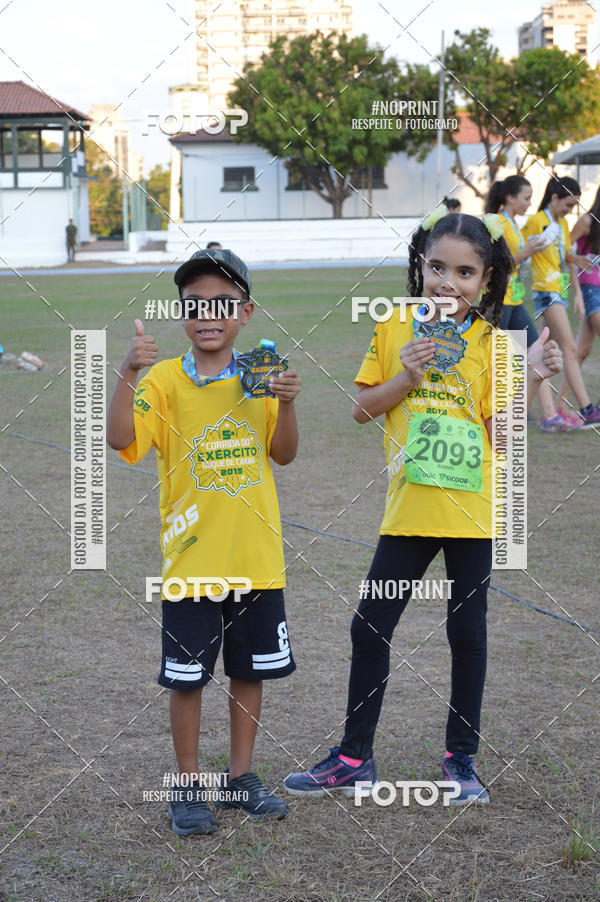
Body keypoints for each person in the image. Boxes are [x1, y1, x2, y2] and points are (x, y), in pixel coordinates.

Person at [283, 210, 562, 805]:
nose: (448, 283)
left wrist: (533, 375)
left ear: (486, 281)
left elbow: (503, 434)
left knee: (468, 635)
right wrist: (406, 378)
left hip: (471, 516)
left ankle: (461, 762)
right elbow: (361, 409)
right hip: (408, 513)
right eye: (437, 268)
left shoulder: (492, 343)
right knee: (370, 626)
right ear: (421, 267)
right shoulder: (394, 328)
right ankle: (355, 757)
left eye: (465, 272)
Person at [107, 247, 302, 835]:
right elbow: (120, 438)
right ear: (181, 313)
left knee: (249, 672)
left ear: (245, 311)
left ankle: (241, 777)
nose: (207, 314)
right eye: (194, 305)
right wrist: (128, 371)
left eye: (221, 303)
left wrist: (287, 403)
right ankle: (187, 785)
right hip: (192, 563)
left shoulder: (261, 375)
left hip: (255, 560)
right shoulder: (164, 381)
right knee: (187, 679)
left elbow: (284, 454)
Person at [486, 174, 573, 432]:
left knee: (538, 349)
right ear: (510, 198)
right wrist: (526, 253)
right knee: (493, 360)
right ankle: (493, 413)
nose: (529, 203)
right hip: (498, 301)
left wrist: (531, 250)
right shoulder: (497, 224)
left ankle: (548, 416)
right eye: (526, 198)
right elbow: (495, 266)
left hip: (515, 299)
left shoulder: (514, 223)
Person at [522, 176, 600, 427]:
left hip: (559, 291)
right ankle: (587, 409)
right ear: (554, 198)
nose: (569, 211)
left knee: (547, 352)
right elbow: (524, 249)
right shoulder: (537, 221)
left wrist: (576, 267)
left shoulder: (563, 223)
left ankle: (549, 416)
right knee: (570, 348)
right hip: (546, 292)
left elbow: (566, 254)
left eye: (573, 206)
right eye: (567, 204)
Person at [557, 185, 600, 415]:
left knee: (581, 351)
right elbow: (565, 252)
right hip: (591, 290)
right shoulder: (586, 221)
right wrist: (577, 293)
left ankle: (562, 406)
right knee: (575, 349)